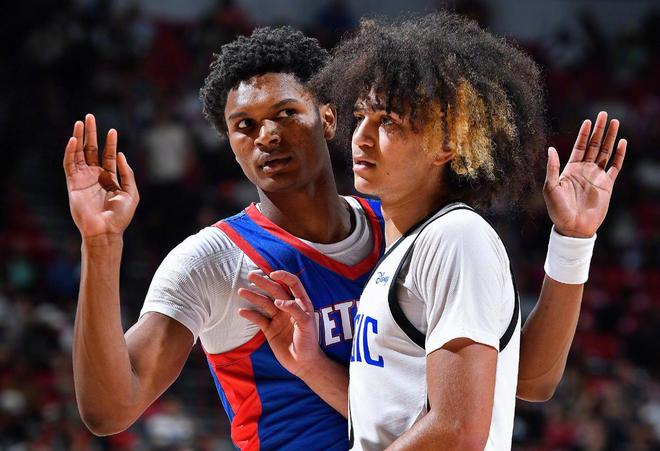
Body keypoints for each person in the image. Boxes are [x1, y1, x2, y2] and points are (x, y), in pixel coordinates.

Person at [63, 25, 621, 451]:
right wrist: (101, 243)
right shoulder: (213, 260)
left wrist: (572, 241)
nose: (268, 136)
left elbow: (515, 382)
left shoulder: (409, 231)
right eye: (244, 126)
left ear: (329, 118)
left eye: (286, 112)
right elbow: (109, 410)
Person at [237, 14, 627, 451]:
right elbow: (529, 380)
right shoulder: (409, 244)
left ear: (446, 145)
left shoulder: (455, 237)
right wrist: (311, 366)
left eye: (388, 122)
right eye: (362, 116)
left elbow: (457, 431)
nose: (361, 137)